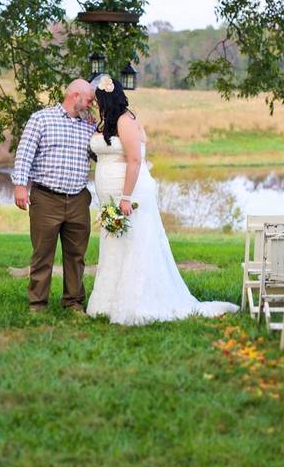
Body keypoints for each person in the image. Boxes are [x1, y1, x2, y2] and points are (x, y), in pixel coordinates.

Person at [86, 74, 238, 325]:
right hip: (109, 197)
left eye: (95, 99)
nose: (92, 103)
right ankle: (107, 303)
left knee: (135, 244)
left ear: (105, 97)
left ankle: (138, 302)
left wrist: (125, 197)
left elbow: (135, 160)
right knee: (115, 247)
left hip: (130, 193)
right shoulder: (104, 123)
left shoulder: (125, 121)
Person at [12, 79, 97, 313]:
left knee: (76, 255)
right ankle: (38, 304)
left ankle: (74, 302)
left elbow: (101, 154)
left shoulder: (90, 124)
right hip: (46, 197)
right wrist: (20, 185)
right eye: (89, 100)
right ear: (75, 96)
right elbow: (24, 153)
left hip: (79, 198)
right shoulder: (41, 119)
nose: (91, 105)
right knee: (42, 254)